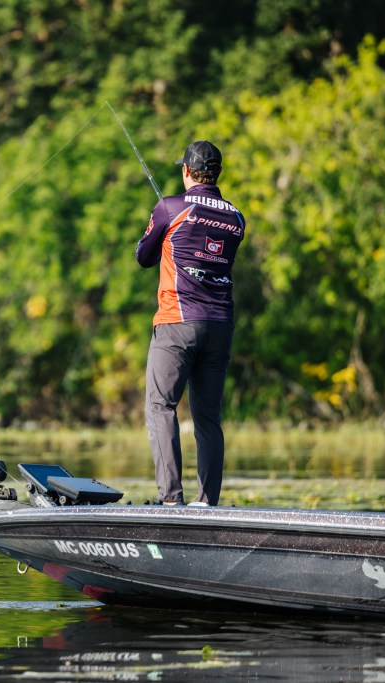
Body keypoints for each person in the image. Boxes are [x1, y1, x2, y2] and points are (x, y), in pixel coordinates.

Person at [135, 140, 245, 506]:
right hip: (220, 325)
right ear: (218, 174)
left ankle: (170, 499)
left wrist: (160, 225)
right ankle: (207, 502)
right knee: (208, 419)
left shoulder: (170, 207)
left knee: (160, 407)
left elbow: (144, 256)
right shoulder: (237, 218)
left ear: (186, 171)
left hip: (177, 322)